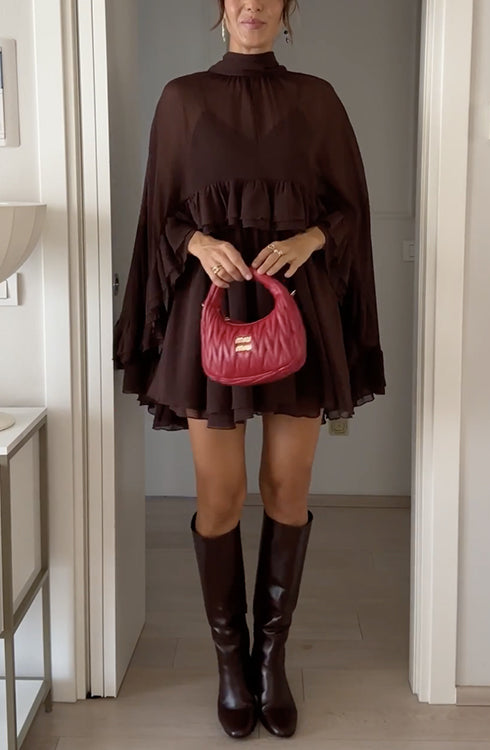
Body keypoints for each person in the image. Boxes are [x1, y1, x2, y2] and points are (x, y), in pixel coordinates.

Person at [113, 0, 386, 740]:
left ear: (287, 9)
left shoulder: (316, 100)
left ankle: (272, 661)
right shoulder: (182, 100)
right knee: (223, 496)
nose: (253, 5)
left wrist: (310, 238)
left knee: (287, 489)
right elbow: (160, 212)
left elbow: (350, 208)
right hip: (211, 318)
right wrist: (198, 244)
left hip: (300, 311)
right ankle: (231, 665)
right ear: (221, 7)